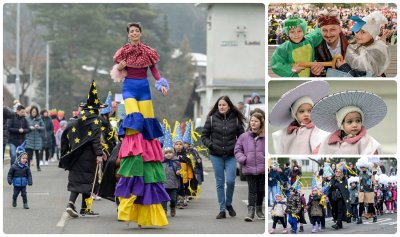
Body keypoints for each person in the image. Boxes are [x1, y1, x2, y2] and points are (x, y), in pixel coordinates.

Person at [111, 22, 170, 227]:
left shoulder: (148, 52)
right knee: (134, 119)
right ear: (128, 35)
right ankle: (133, 149)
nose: (134, 33)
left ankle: (146, 150)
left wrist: (161, 84)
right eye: (131, 31)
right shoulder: (123, 52)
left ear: (140, 34)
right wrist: (119, 67)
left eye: (136, 31)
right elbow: (117, 72)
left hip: (144, 89)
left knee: (147, 125)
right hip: (129, 89)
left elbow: (154, 71)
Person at [59, 80, 107, 218]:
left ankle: (72, 204)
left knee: (77, 181)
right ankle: (84, 208)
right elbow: (95, 139)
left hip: (75, 154)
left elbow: (64, 137)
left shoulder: (76, 120)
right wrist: (99, 153)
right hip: (89, 155)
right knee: (88, 181)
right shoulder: (96, 120)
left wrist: (65, 153)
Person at [201, 95, 245, 219]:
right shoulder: (211, 119)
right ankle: (222, 209)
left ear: (229, 106)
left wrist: (237, 148)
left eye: (224, 105)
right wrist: (212, 146)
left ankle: (228, 204)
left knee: (230, 181)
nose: (221, 107)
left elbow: (242, 137)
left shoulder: (235, 119)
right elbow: (204, 136)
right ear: (217, 106)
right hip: (216, 155)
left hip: (231, 155)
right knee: (220, 183)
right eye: (220, 105)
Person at [312, 90, 386, 154]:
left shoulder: (365, 141)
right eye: (349, 122)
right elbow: (321, 152)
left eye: (358, 121)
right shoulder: (329, 140)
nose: (354, 125)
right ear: (341, 124)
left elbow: (373, 151)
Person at [269, 81, 330, 154]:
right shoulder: (287, 133)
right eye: (301, 111)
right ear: (295, 114)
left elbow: (322, 144)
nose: (306, 114)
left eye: (309, 111)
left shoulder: (319, 129)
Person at [335, 11, 391, 77]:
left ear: (372, 35)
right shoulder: (354, 46)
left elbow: (360, 77)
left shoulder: (374, 52)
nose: (357, 35)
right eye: (357, 31)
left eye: (363, 32)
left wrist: (343, 67)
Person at [235, 112, 265, 222]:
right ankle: (250, 212)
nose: (253, 123)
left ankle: (259, 210)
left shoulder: (265, 136)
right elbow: (237, 150)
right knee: (252, 190)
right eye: (252, 120)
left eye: (256, 121)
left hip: (262, 169)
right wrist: (243, 159)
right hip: (249, 168)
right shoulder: (244, 136)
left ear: (261, 123)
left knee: (261, 190)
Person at [311, 9, 349, 76]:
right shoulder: (315, 49)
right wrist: (315, 73)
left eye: (332, 29)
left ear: (340, 29)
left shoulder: (351, 46)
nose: (328, 35)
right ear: (320, 31)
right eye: (324, 30)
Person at [161, 124, 181, 217]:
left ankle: (173, 208)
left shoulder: (176, 161)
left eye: (170, 153)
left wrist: (178, 171)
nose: (168, 155)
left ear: (173, 153)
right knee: (163, 199)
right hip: (163, 184)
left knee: (173, 199)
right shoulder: (161, 162)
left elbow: (179, 169)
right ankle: (164, 211)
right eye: (166, 153)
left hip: (173, 185)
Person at [7, 142, 32, 209]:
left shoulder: (26, 167)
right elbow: (10, 174)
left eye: (26, 158)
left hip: (23, 184)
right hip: (16, 185)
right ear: (19, 159)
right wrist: (9, 180)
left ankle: (25, 204)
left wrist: (30, 181)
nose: (25, 160)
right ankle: (14, 200)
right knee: (15, 194)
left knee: (24, 194)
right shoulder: (14, 167)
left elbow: (29, 175)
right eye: (23, 158)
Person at [356, 157, 377, 223]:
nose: (362, 168)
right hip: (362, 190)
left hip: (369, 190)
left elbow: (374, 182)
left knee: (370, 204)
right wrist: (359, 190)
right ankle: (359, 218)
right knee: (361, 204)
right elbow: (359, 182)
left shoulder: (370, 173)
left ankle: (374, 216)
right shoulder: (360, 173)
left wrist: (373, 178)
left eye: (363, 167)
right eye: (361, 167)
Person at [25, 106, 44, 171]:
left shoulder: (39, 119)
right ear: (30, 112)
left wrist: (38, 127)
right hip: (29, 138)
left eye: (35, 112)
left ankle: (38, 166)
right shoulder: (27, 119)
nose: (34, 113)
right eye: (33, 112)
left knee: (37, 154)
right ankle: (28, 167)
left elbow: (43, 127)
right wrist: (29, 128)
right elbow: (25, 127)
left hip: (37, 138)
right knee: (29, 154)